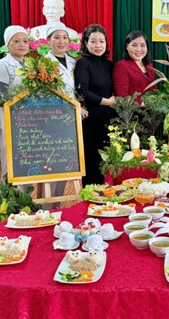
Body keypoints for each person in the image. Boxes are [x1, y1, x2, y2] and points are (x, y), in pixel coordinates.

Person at [74, 24, 116, 185]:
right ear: (86, 43)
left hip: (110, 119)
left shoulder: (109, 64)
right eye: (93, 41)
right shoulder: (83, 63)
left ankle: (109, 193)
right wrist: (107, 101)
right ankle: (91, 194)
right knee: (92, 160)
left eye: (101, 41)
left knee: (108, 159)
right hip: (91, 119)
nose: (98, 45)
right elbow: (82, 91)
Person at [43, 22, 78, 200]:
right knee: (51, 164)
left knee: (64, 164)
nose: (61, 41)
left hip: (71, 120)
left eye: (65, 37)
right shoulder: (43, 64)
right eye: (56, 37)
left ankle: (56, 205)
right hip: (52, 121)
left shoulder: (73, 62)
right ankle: (46, 206)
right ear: (48, 40)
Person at [0, 25, 29, 177]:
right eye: (16, 41)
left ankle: (27, 193)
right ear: (8, 44)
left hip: (29, 120)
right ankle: (9, 193)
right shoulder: (1, 65)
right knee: (11, 164)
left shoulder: (30, 65)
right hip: (8, 119)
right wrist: (26, 97)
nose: (22, 44)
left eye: (25, 41)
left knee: (27, 163)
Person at [112, 30, 156, 104]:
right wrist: (143, 104)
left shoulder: (149, 65)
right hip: (133, 109)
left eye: (142, 45)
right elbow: (122, 96)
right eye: (134, 45)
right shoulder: (121, 66)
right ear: (127, 46)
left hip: (152, 108)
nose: (138, 49)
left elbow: (153, 90)